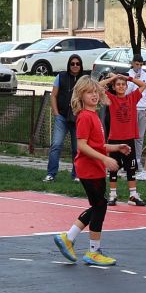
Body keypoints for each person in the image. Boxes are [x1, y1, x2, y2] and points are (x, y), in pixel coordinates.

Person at [50, 76, 124, 268]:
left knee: (98, 205)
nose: (94, 95)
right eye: (89, 92)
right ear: (80, 95)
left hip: (94, 168)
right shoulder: (84, 116)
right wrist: (105, 159)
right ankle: (93, 251)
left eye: (95, 92)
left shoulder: (93, 115)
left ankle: (69, 238)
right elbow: (82, 146)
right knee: (100, 206)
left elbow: (98, 145)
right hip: (89, 169)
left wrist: (116, 148)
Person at [43, 54, 88, 182]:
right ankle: (51, 174)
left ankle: (77, 174)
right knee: (56, 145)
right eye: (72, 64)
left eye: (77, 64)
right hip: (62, 117)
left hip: (78, 118)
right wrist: (56, 113)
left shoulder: (85, 79)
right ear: (69, 65)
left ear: (81, 65)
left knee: (77, 148)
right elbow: (53, 95)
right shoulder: (61, 76)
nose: (75, 66)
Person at [103, 70, 145, 206]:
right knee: (113, 167)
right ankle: (112, 195)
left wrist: (128, 78)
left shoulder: (132, 98)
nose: (121, 86)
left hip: (128, 139)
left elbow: (143, 85)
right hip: (114, 140)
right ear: (114, 87)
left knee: (131, 168)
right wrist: (113, 78)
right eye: (118, 84)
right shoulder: (111, 98)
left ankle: (133, 195)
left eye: (123, 84)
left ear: (126, 87)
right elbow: (97, 86)